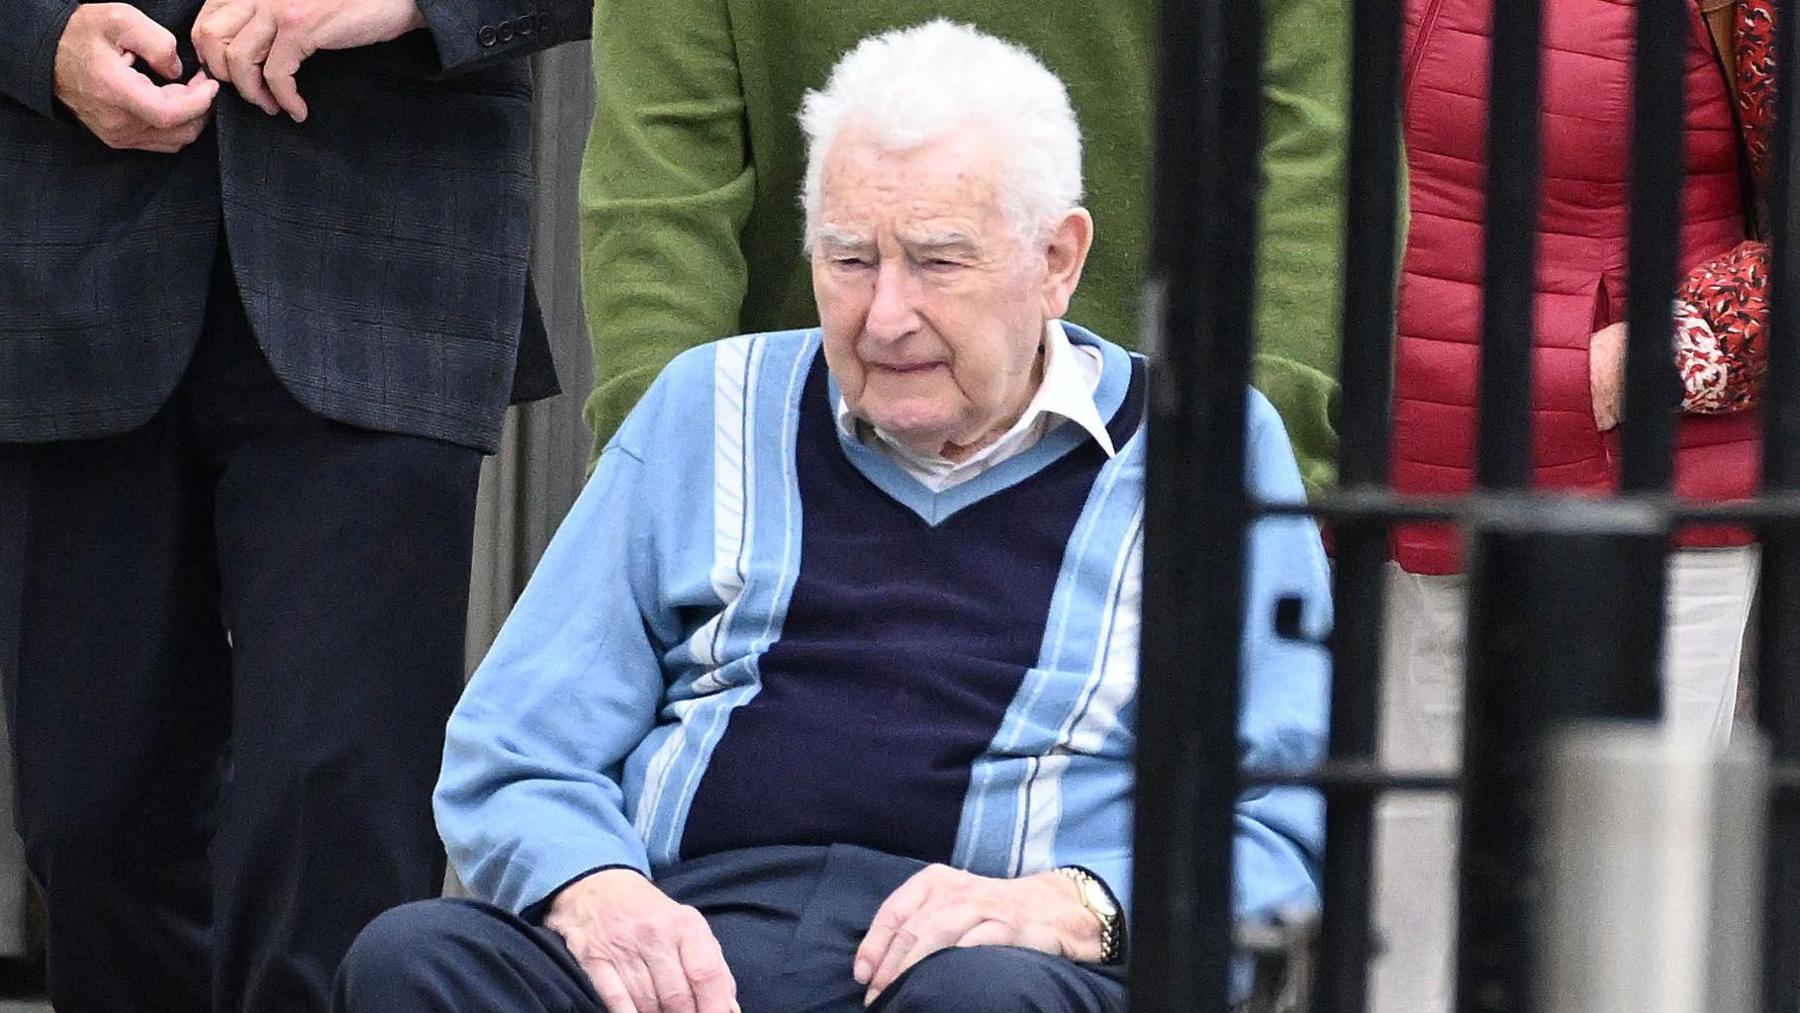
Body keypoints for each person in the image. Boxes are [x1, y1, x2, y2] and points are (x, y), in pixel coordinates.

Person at [336, 22, 1332, 1013]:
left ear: (1057, 259)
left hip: (995, 958)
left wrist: (1081, 905)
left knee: (980, 1002)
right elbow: (515, 743)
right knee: (412, 957)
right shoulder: (706, 407)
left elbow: (1293, 814)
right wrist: (595, 887)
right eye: (850, 260)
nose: (885, 315)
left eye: (938, 262)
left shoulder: (1204, 449)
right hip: (694, 947)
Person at [0, 0, 587, 1007]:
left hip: (391, 251)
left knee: (336, 824)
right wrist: (31, 38)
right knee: (91, 821)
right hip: (64, 260)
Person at [1374, 2, 1776, 1010]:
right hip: (1398, 495)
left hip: (1648, 511)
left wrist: (1618, 371)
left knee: (1620, 945)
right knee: (1403, 943)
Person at [577, 0, 1350, 499]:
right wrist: (669, 489)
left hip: (1152, 475)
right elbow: (662, 196)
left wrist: (1251, 470)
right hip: (797, 488)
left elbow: (1315, 162)